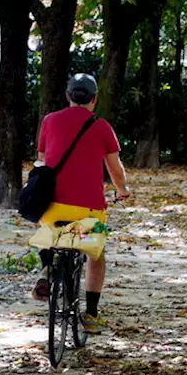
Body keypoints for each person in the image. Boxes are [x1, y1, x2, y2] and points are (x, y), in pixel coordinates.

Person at [31, 73, 132, 334]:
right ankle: (91, 315)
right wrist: (122, 190)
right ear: (94, 99)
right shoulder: (102, 127)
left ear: (67, 96)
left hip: (52, 204)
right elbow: (115, 170)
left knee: (48, 234)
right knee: (96, 254)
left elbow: (42, 160)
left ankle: (47, 268)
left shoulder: (50, 121)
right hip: (89, 208)